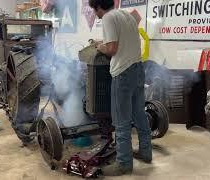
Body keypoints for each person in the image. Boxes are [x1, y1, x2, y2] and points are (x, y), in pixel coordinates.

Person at [89, 0, 152, 176]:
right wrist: (101, 42)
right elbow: (122, 40)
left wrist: (99, 47)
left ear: (98, 7)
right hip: (138, 69)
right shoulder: (126, 15)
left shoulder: (108, 18)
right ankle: (146, 153)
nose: (95, 14)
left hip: (123, 73)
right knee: (139, 114)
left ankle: (124, 163)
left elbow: (112, 49)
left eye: (94, 10)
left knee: (121, 120)